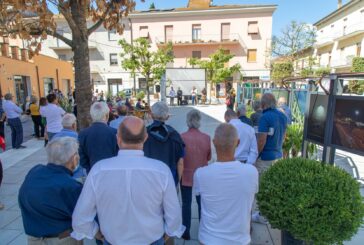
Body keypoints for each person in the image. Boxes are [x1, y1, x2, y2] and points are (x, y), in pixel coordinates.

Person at [72, 117, 185, 244]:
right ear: (145, 138)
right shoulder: (161, 171)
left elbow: (80, 220)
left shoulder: (98, 170)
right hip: (152, 240)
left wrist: (97, 234)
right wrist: (167, 234)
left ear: (118, 139)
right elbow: (174, 216)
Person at [193, 123, 258, 245]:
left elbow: (199, 198)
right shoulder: (251, 172)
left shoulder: (200, 174)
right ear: (238, 143)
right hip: (240, 240)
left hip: (209, 238)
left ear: (213, 142)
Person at [18, 137, 82, 245]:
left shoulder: (35, 171)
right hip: (62, 239)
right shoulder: (71, 186)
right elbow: (82, 217)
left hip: (34, 239)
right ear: (74, 158)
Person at [180, 110, 211, 240]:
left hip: (186, 173)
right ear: (199, 121)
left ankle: (186, 231)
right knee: (202, 203)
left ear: (187, 121)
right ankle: (203, 230)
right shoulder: (206, 137)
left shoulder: (181, 137)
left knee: (186, 203)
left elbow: (180, 158)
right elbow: (208, 157)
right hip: (202, 174)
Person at [143, 102, 185, 186]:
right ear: (167, 117)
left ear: (151, 115)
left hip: (149, 180)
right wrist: (177, 183)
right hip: (169, 180)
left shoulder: (144, 134)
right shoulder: (175, 135)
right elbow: (180, 162)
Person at [78, 102, 118, 173]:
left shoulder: (83, 134)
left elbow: (82, 159)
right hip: (112, 173)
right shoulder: (115, 133)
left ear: (91, 116)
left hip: (92, 174)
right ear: (107, 115)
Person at [257, 93, 288, 174]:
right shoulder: (283, 116)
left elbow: (261, 140)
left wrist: (255, 155)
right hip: (279, 156)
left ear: (263, 104)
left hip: (265, 159)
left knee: (262, 185)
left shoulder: (264, 117)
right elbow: (284, 137)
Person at [53, 114, 86, 180]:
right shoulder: (78, 137)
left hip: (58, 173)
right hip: (76, 174)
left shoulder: (54, 138)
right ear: (74, 125)